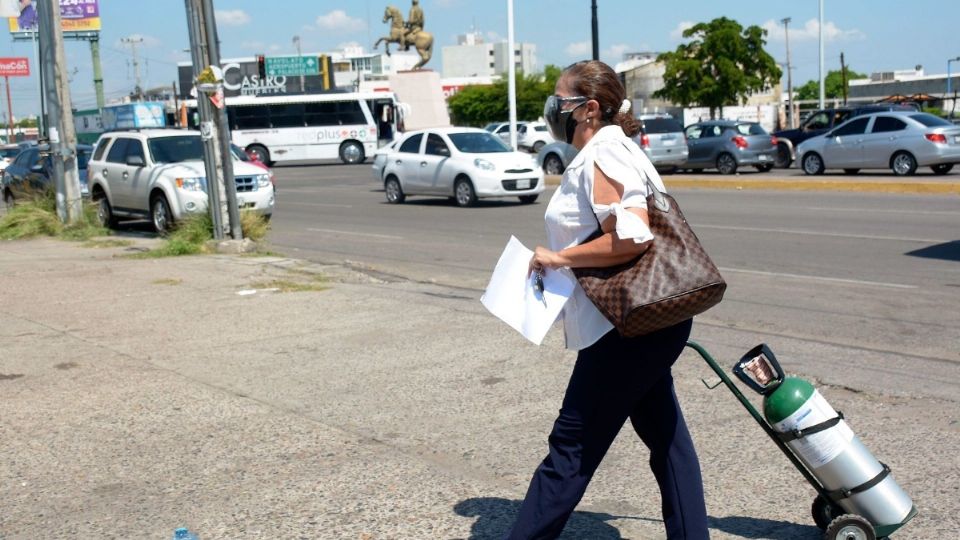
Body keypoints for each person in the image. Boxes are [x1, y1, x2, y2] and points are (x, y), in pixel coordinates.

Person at [505, 60, 710, 539]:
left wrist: (561, 257)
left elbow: (632, 235)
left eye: (561, 99)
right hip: (647, 321)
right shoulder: (617, 148)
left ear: (589, 109)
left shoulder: (604, 154)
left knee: (571, 448)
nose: (553, 108)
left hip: (624, 328)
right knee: (667, 439)